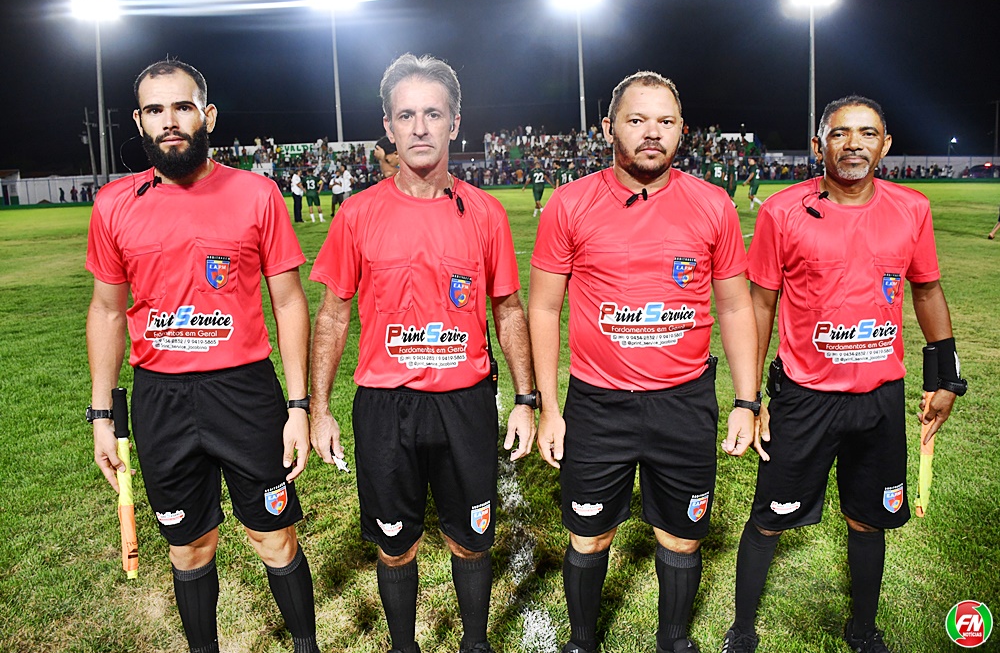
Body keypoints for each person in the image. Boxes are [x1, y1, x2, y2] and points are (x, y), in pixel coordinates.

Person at [85, 59, 321, 653]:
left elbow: (289, 301)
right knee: (189, 548)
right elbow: (108, 312)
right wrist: (102, 415)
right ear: (139, 121)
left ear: (207, 115)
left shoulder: (257, 194)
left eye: (183, 107)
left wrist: (298, 407)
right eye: (156, 110)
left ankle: (306, 646)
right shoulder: (114, 204)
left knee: (274, 538)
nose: (170, 121)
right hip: (160, 399)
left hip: (244, 392)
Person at [720, 96, 966, 653]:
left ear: (885, 144)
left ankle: (863, 629)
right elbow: (760, 304)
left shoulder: (912, 208)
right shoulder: (782, 211)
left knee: (868, 520)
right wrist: (749, 399)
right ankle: (742, 629)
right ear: (819, 145)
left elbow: (927, 290)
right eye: (840, 133)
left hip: (880, 399)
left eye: (867, 133)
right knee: (769, 518)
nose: (854, 144)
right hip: (803, 398)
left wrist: (944, 378)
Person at [309, 53, 537, 653]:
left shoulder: (485, 212)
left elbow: (509, 310)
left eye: (432, 114)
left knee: (472, 539)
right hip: (385, 407)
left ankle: (475, 644)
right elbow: (332, 316)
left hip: (464, 402)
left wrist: (525, 398)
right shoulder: (357, 214)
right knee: (394, 545)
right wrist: (318, 410)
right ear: (388, 126)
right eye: (406, 115)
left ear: (454, 123)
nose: (419, 128)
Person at [529, 70, 759, 653]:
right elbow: (544, 308)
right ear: (609, 128)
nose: (652, 132)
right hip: (597, 403)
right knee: (589, 537)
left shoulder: (713, 205)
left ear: (682, 131)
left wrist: (746, 400)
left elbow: (735, 307)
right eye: (637, 120)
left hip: (684, 403)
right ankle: (583, 641)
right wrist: (549, 408)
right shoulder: (570, 203)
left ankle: (673, 640)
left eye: (665, 121)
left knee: (681, 537)